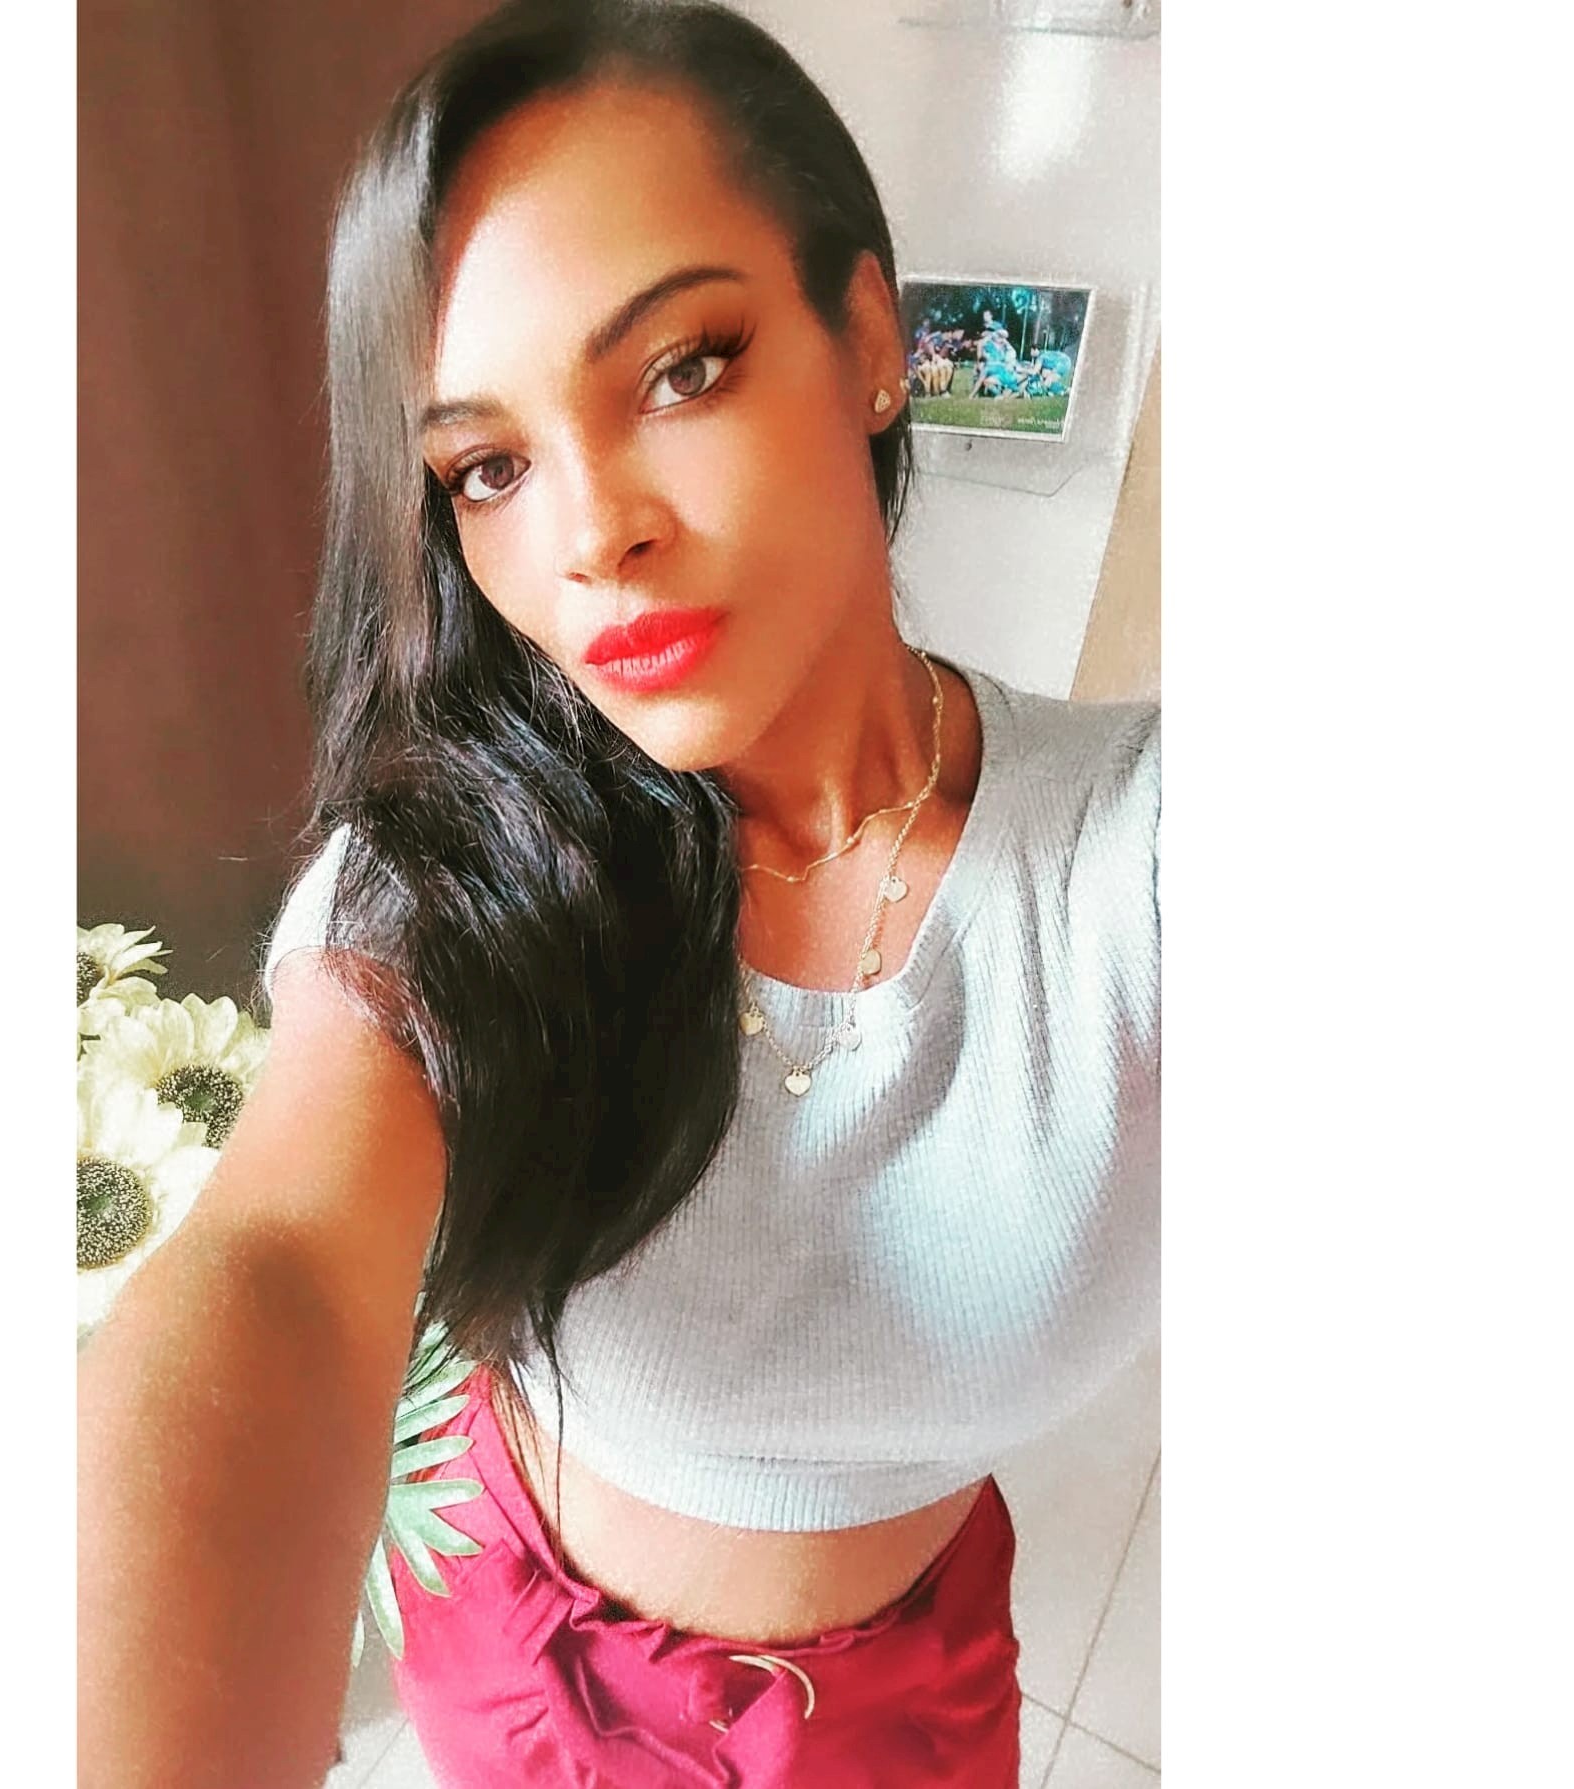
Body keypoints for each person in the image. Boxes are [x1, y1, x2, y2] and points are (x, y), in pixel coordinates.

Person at [76, 3, 1159, 1786]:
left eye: (679, 368)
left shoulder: (1129, 852)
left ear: (867, 340)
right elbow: (278, 1270)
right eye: (487, 467)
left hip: (892, 1703)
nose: (589, 534)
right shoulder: (454, 867)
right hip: (511, 1644)